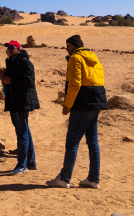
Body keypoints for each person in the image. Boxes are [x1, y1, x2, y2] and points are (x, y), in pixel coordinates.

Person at [46, 34, 108, 189]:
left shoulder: (75, 58)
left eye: (68, 46)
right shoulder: (93, 57)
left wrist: (67, 105)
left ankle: (64, 178)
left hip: (82, 104)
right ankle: (93, 179)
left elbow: (75, 84)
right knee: (93, 142)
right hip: (97, 102)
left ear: (74, 46)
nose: (67, 50)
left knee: (72, 142)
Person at [0, 39, 39, 175]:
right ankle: (31, 161)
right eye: (8, 48)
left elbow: (30, 81)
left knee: (22, 133)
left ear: (18, 48)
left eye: (11, 48)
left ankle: (22, 165)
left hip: (22, 101)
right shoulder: (10, 62)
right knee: (24, 131)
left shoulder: (24, 62)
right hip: (14, 100)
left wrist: (11, 81)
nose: (9, 50)